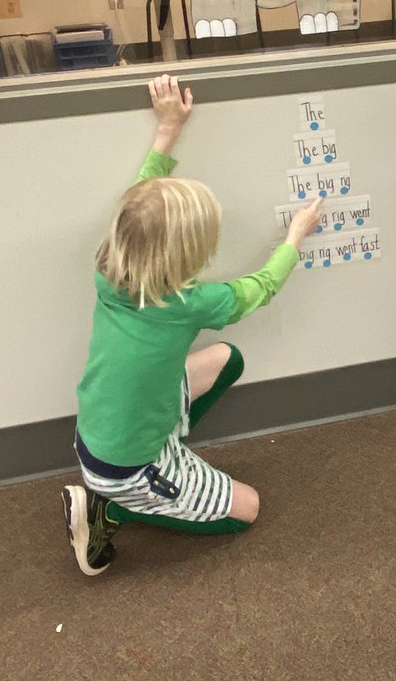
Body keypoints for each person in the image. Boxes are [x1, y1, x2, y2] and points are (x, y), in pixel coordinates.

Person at [63, 74, 322, 576]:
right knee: (248, 508)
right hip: (125, 469)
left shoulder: (108, 267)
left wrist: (168, 130)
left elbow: (139, 200)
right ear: (187, 257)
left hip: (98, 432)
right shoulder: (190, 302)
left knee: (228, 359)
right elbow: (263, 287)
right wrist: (296, 236)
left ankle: (154, 461)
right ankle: (111, 510)